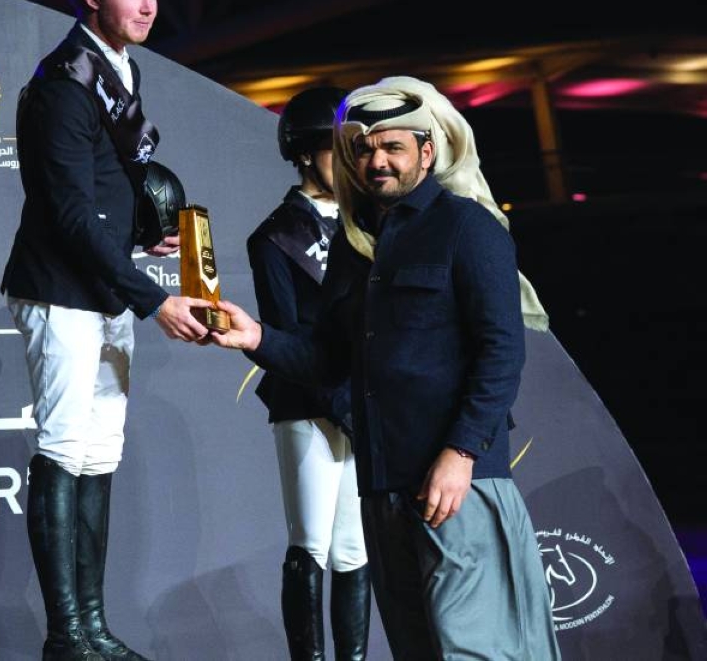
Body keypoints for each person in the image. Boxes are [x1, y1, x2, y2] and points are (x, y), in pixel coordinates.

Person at [211, 76, 559, 660]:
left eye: (393, 147)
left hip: (457, 484)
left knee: (476, 649)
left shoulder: (467, 228)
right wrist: (256, 338)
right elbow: (328, 360)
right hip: (383, 488)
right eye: (364, 149)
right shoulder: (354, 242)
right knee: (417, 648)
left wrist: (462, 454)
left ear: (427, 151)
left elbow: (501, 352)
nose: (376, 161)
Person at [1, 0, 211, 661]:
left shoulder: (122, 69)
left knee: (98, 455)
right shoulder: (64, 82)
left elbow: (102, 193)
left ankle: (92, 625)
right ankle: (66, 633)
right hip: (60, 289)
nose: (148, 6)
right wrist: (153, 297)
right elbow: (63, 211)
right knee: (63, 449)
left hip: (104, 286)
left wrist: (140, 237)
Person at [248, 87, 369, 660]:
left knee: (355, 549)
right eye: (334, 149)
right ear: (302, 152)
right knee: (312, 544)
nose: (348, 161)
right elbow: (283, 337)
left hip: (362, 403)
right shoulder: (274, 237)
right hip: (306, 404)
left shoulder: (369, 222)